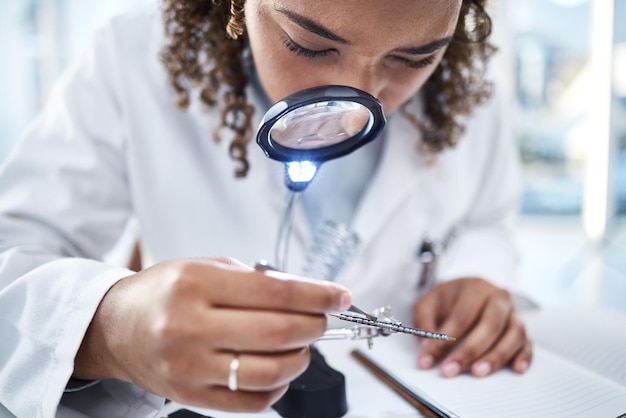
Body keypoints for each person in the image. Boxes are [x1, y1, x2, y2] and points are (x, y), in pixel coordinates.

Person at [0, 0, 533, 417]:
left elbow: (487, 221)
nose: (355, 98)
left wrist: (475, 276)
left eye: (413, 57)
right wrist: (107, 328)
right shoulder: (128, 59)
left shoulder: (469, 87)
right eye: (309, 44)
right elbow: (13, 254)